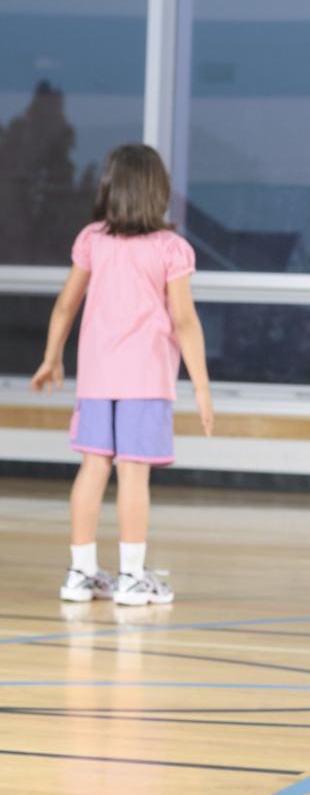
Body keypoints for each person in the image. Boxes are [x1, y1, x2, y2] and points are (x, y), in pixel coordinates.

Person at [32, 143, 213, 606]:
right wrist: (202, 388)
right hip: (146, 380)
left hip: (97, 379)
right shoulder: (171, 248)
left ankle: (81, 571)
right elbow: (185, 321)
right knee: (133, 475)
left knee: (92, 468)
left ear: (108, 188)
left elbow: (65, 305)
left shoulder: (92, 239)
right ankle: (132, 577)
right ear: (160, 192)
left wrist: (52, 356)